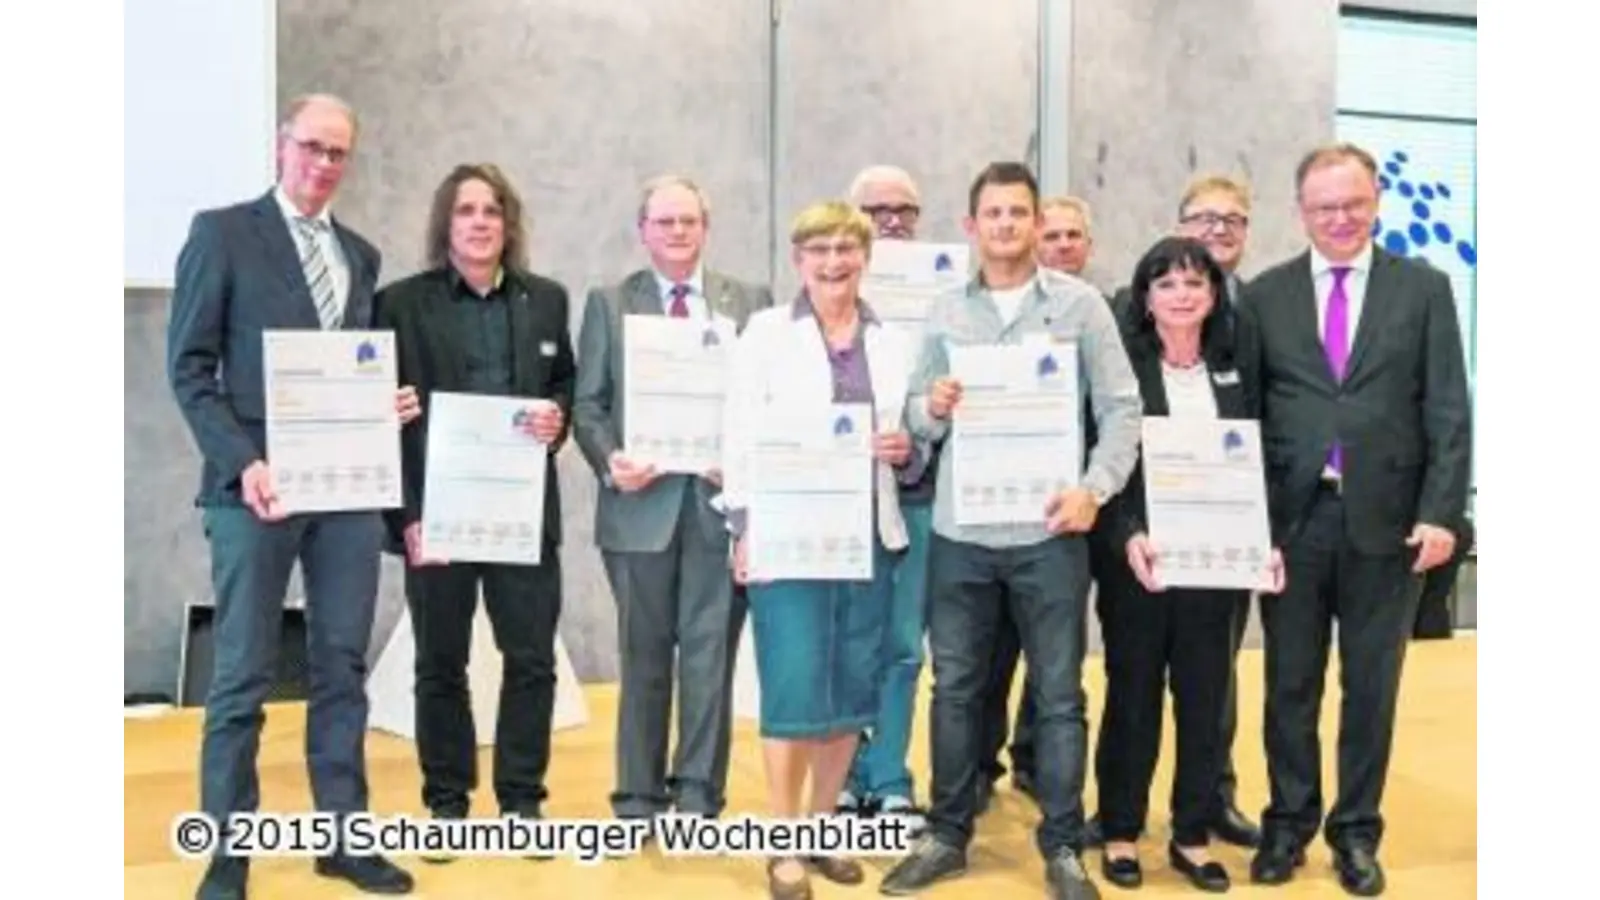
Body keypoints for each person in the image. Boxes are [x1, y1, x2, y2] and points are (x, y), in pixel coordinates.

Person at [166, 93, 419, 898]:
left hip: (345, 494)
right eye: (312, 146)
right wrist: (243, 462)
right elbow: (191, 368)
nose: (324, 164)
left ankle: (343, 838)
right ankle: (226, 854)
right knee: (241, 674)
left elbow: (345, 375)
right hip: (255, 495)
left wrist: (382, 406)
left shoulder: (361, 255)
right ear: (282, 146)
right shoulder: (223, 233)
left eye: (339, 153)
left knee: (341, 665)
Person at [880, 162, 1143, 900]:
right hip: (964, 535)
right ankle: (946, 833)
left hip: (1051, 534)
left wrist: (1095, 492)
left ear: (1035, 223)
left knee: (1060, 695)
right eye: (991, 214)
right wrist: (931, 406)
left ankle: (1062, 845)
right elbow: (915, 421)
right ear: (971, 226)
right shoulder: (943, 312)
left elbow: (1121, 411)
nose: (1005, 225)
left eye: (1018, 213)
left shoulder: (1082, 307)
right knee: (956, 688)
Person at [1235, 143, 1471, 896]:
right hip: (1293, 523)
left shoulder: (1425, 289)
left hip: (1390, 525)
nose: (1339, 219)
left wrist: (1444, 515)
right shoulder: (1265, 296)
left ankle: (1357, 831)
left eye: (1353, 204)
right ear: (1300, 211)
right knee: (1289, 684)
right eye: (1323, 207)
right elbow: (1247, 411)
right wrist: (1251, 526)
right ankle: (1287, 824)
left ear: (1376, 203)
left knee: (1372, 687)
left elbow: (1448, 409)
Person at [720, 200, 925, 899]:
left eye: (846, 248)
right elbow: (739, 435)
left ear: (866, 256)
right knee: (794, 685)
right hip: (787, 537)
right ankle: (782, 844)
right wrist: (744, 528)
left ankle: (821, 828)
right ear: (798, 259)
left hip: (869, 537)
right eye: (818, 250)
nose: (833, 262)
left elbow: (912, 446)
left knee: (850, 689)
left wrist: (905, 451)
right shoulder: (765, 335)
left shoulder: (893, 341)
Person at [373, 163, 576, 851]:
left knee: (531, 662)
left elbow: (562, 385)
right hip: (438, 519)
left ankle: (521, 801)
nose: (481, 221)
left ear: (508, 223)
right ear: (446, 223)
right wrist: (405, 519)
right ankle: (448, 802)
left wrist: (559, 418)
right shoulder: (398, 304)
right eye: (466, 210)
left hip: (522, 517)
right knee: (440, 663)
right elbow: (381, 414)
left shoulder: (546, 300)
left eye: (493, 210)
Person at [573, 175, 773, 825]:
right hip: (639, 509)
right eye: (664, 222)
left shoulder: (749, 301)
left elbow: (764, 402)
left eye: (688, 220)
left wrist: (740, 461)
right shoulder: (609, 304)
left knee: (711, 657)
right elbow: (589, 405)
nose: (677, 232)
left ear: (705, 227)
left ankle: (697, 792)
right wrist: (610, 460)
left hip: (719, 508)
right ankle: (636, 794)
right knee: (643, 656)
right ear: (643, 231)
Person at [1090, 236, 1286, 894]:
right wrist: (1127, 534)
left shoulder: (1235, 366)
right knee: (1133, 697)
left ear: (1214, 294)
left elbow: (1259, 461)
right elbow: (1103, 460)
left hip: (1216, 567)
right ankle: (1120, 828)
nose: (1182, 295)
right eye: (1166, 283)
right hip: (1139, 565)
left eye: (1195, 283)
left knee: (1206, 701)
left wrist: (1266, 540)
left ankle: (1192, 834)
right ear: (1144, 298)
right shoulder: (1124, 367)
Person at [978, 192, 1102, 812]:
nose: (1060, 245)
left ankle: (1040, 770)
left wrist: (1092, 489)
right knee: (988, 659)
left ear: (1088, 245)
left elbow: (1116, 412)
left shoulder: (1095, 315)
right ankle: (982, 767)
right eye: (1050, 235)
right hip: (989, 513)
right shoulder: (984, 313)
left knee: (1056, 668)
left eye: (1071, 236)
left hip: (1069, 516)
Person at [836, 164, 934, 824]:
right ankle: (842, 773)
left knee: (903, 643)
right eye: (877, 209)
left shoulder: (946, 296)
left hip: (918, 494)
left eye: (904, 209)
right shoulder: (822, 304)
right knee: (847, 641)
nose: (892, 220)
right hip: (840, 502)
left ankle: (891, 775)